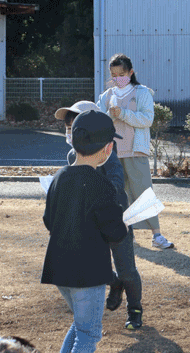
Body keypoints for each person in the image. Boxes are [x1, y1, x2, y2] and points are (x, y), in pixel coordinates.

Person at [41, 110, 129, 353]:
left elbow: (49, 221)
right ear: (108, 148)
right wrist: (125, 225)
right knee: (89, 334)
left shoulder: (59, 177)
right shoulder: (103, 185)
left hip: (59, 269)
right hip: (89, 273)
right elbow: (115, 233)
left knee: (81, 327)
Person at [55, 101, 144, 331]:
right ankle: (115, 284)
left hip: (116, 219)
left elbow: (115, 182)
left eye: (73, 124)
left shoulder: (107, 151)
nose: (69, 130)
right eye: (67, 125)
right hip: (91, 222)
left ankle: (135, 309)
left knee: (127, 269)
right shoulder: (71, 155)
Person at [97, 53, 174, 250]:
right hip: (111, 153)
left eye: (121, 74)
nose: (117, 78)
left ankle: (156, 235)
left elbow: (146, 120)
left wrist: (122, 114)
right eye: (114, 75)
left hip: (135, 151)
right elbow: (99, 122)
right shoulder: (106, 96)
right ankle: (123, 234)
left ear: (131, 72)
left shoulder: (142, 93)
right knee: (116, 195)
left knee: (143, 193)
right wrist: (110, 115)